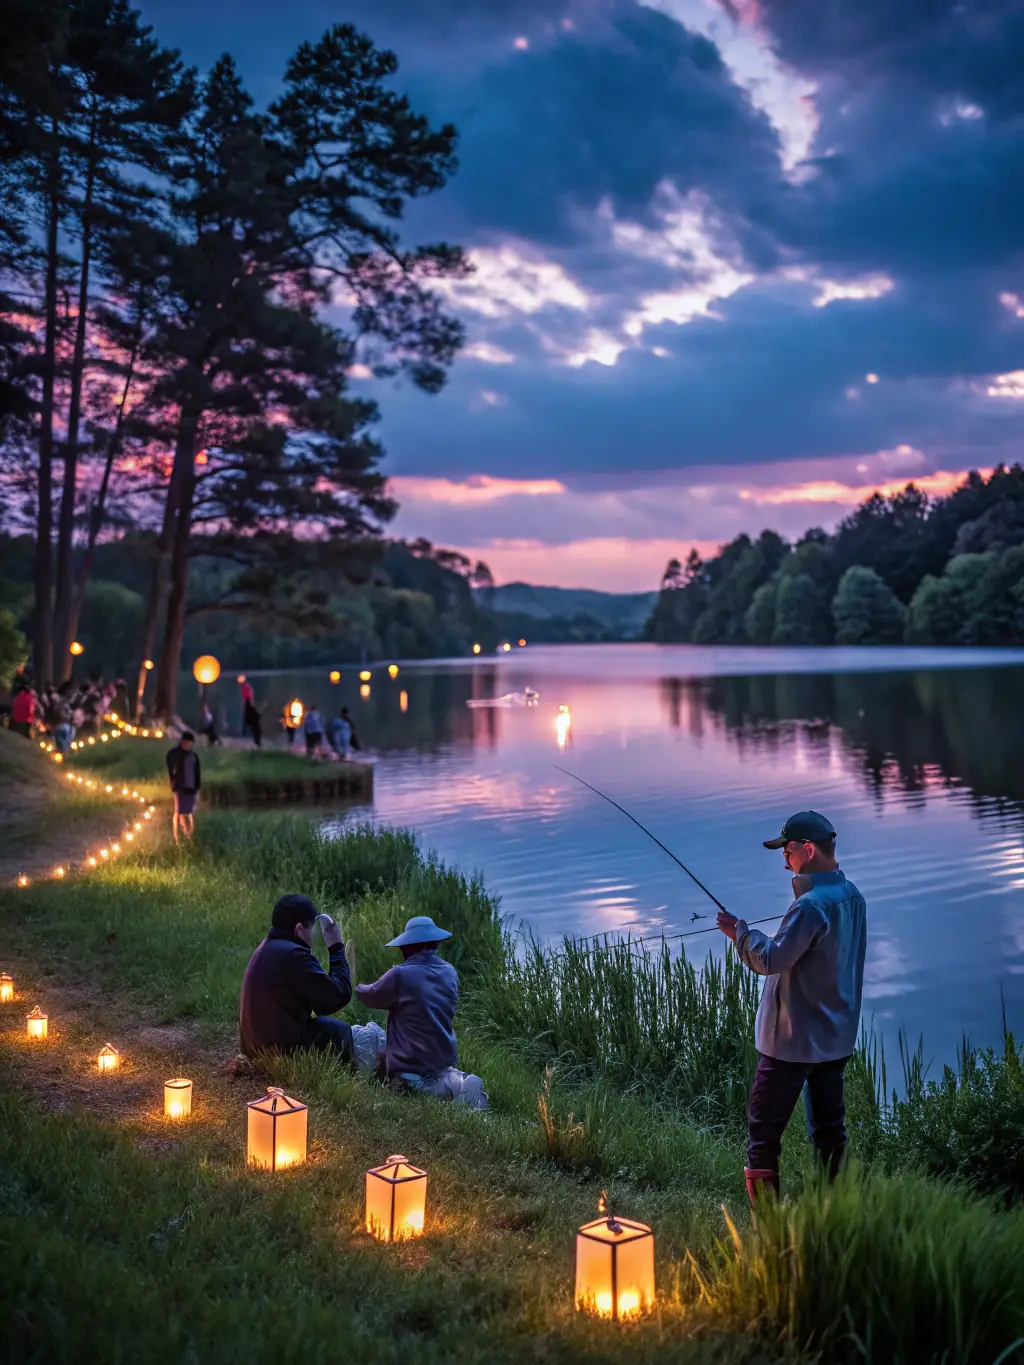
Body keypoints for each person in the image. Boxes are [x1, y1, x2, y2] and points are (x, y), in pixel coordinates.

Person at [717, 811, 867, 1206]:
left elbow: (771, 960)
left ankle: (768, 1233)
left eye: (787, 851)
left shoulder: (810, 906)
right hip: (835, 1041)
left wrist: (741, 934)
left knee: (762, 1135)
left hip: (792, 1043)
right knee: (829, 1132)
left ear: (808, 848)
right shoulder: (853, 896)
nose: (785, 861)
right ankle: (837, 1217)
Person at [355, 915, 488, 1110]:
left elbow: (368, 995)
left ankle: (412, 1089)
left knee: (367, 1033)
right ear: (434, 944)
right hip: (441, 1066)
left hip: (408, 1074)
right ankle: (455, 1090)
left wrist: (354, 984)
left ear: (406, 946)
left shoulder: (400, 974)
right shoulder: (450, 972)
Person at [239, 893, 354, 1059]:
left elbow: (321, 1005)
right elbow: (337, 996)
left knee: (325, 1026)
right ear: (299, 928)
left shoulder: (269, 947)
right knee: (338, 1031)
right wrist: (336, 947)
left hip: (254, 1048)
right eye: (312, 928)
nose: (313, 935)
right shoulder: (293, 954)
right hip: (277, 1053)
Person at [166, 731, 201, 843]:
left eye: (189, 743)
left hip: (191, 788)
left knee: (189, 812)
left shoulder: (193, 756)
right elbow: (170, 763)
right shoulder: (176, 754)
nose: (187, 745)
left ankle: (189, 835)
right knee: (179, 811)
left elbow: (197, 773)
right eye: (186, 743)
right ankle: (177, 838)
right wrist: (173, 779)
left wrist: (197, 788)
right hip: (181, 787)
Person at [240, 677, 262, 747]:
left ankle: (256, 741)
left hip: (249, 706)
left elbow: (247, 697)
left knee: (252, 724)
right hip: (249, 706)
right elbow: (247, 697)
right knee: (253, 724)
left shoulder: (246, 687)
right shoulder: (246, 687)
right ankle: (256, 741)